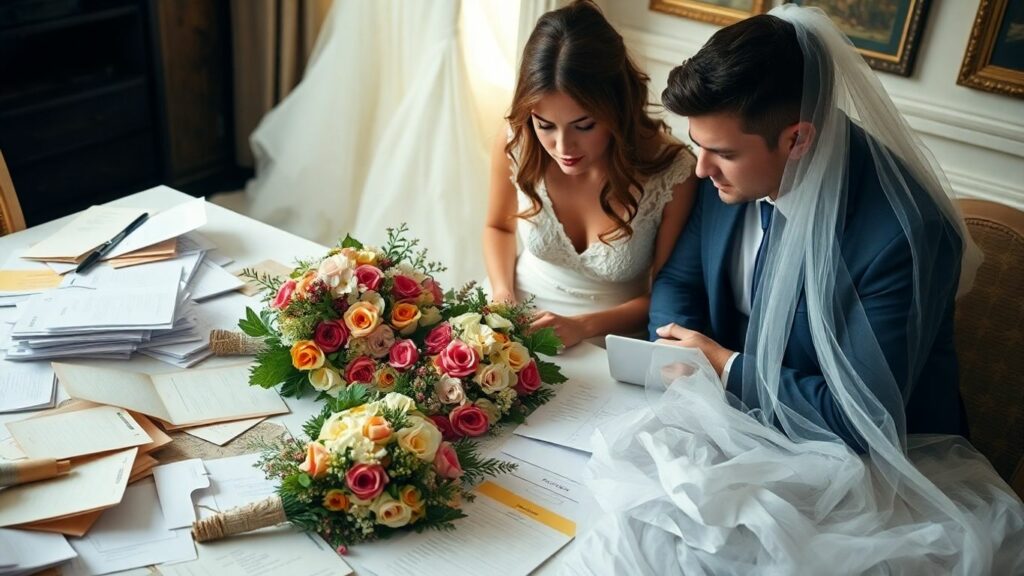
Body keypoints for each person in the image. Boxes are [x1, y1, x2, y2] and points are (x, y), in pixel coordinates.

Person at [561, 6, 1023, 575]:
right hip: (733, 420)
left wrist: (725, 366)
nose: (701, 170)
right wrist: (678, 347)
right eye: (697, 146)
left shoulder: (904, 236)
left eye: (722, 154)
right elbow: (681, 277)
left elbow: (861, 418)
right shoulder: (723, 162)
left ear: (797, 139)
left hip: (869, 468)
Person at [483, 0, 697, 349]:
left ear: (616, 105)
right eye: (545, 125)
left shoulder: (673, 172)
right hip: (516, 321)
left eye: (584, 125)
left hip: (610, 341)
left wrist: (583, 326)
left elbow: (666, 297)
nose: (563, 146)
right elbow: (498, 227)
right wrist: (502, 293)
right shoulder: (515, 141)